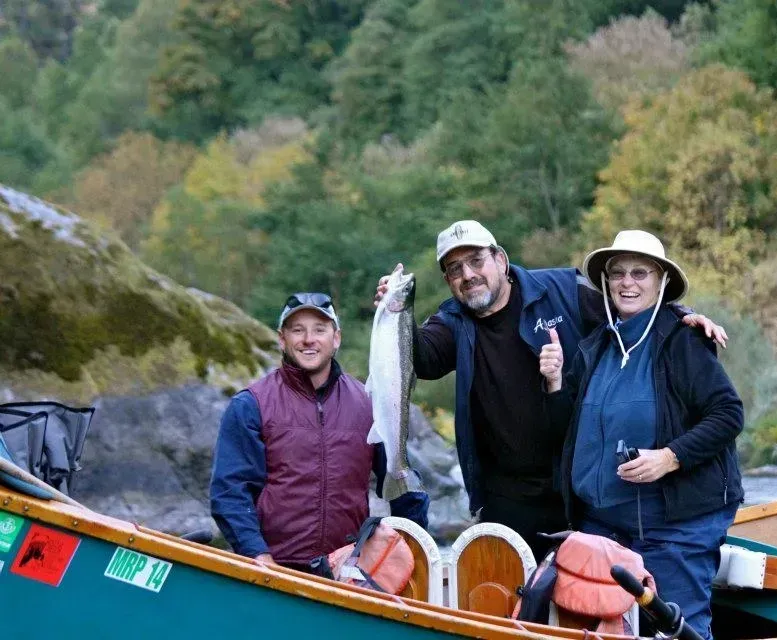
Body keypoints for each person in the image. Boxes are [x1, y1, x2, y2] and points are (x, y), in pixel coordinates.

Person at [374, 220, 727, 561]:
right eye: (454, 268)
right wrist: (395, 316)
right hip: (505, 497)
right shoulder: (453, 321)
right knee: (512, 604)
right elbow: (423, 359)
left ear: (500, 259)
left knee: (579, 599)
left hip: (577, 489)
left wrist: (682, 315)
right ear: (448, 280)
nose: (468, 275)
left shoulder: (561, 289)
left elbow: (629, 304)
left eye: (476, 261)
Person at [540, 230, 744, 640]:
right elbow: (568, 430)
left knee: (677, 629)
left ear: (660, 282)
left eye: (640, 273)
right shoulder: (594, 346)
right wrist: (555, 381)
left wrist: (669, 457)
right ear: (606, 282)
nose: (627, 282)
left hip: (676, 526)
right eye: (618, 274)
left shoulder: (684, 339)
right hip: (602, 526)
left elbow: (728, 414)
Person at [210, 292, 429, 571]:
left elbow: (404, 483)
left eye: (319, 330)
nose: (308, 339)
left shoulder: (369, 403)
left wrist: (413, 555)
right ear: (282, 339)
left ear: (336, 338)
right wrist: (257, 555)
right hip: (274, 571)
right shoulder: (250, 405)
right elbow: (230, 492)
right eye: (297, 330)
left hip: (348, 570)